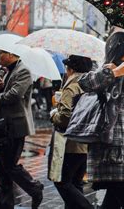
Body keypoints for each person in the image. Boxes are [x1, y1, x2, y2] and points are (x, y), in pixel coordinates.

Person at [77, 32, 124, 208]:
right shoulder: (104, 71)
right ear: (119, 50)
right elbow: (85, 84)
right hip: (111, 152)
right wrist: (114, 73)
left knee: (112, 201)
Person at [0, 50, 44, 209]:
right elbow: (7, 92)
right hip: (4, 125)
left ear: (10, 54)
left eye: (1, 53)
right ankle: (5, 204)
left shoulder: (23, 71)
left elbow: (15, 95)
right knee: (1, 167)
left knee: (9, 164)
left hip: (16, 125)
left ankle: (34, 188)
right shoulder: (7, 71)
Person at [49, 55, 94, 209]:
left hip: (70, 143)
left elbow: (65, 117)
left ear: (71, 69)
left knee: (62, 182)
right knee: (76, 183)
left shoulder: (72, 87)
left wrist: (54, 114)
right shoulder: (91, 84)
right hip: (86, 142)